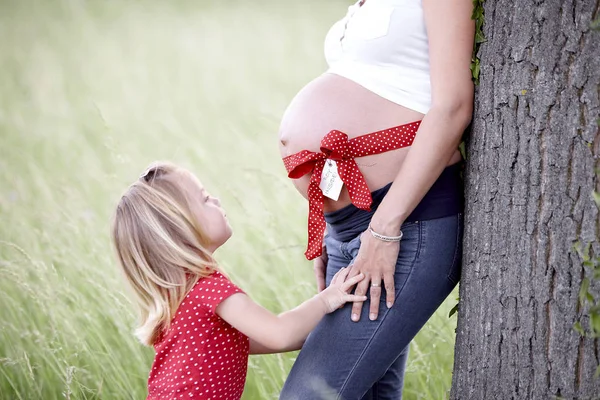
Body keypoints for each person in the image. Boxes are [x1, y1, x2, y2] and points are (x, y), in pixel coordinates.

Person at [278, 0, 474, 398]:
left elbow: (452, 105)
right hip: (350, 227)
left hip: (406, 222)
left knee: (310, 394)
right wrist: (333, 225)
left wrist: (384, 229)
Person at [110, 161, 367, 400]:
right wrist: (327, 298)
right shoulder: (208, 288)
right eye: (205, 199)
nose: (216, 199)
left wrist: (319, 332)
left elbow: (241, 343)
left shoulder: (180, 297)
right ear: (180, 229)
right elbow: (279, 334)